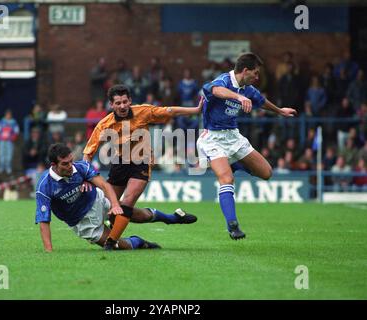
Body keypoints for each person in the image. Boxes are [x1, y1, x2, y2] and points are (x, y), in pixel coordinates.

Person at [83, 85, 201, 244]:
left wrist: (195, 110)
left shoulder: (142, 111)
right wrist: (85, 177)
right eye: (118, 103)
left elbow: (169, 111)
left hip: (141, 163)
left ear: (130, 100)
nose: (122, 106)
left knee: (125, 204)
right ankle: (170, 218)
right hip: (119, 164)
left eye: (125, 101)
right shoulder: (105, 124)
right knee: (111, 212)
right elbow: (88, 153)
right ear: (111, 105)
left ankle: (111, 243)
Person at [197, 52, 297, 240]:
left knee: (266, 173)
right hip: (213, 138)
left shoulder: (248, 88)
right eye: (255, 73)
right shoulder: (224, 81)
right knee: (226, 180)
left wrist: (280, 111)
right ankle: (232, 225)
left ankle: (233, 164)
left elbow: (262, 102)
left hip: (234, 137)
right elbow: (215, 90)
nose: (257, 77)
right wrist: (239, 97)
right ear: (245, 71)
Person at [36, 143, 197, 251]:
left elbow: (105, 186)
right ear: (54, 165)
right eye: (65, 164)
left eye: (71, 161)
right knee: (120, 247)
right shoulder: (44, 186)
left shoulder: (80, 167)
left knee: (135, 214)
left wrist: (114, 204)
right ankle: (140, 241)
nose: (70, 166)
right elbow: (44, 221)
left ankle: (172, 218)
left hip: (97, 200)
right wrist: (49, 251)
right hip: (82, 222)